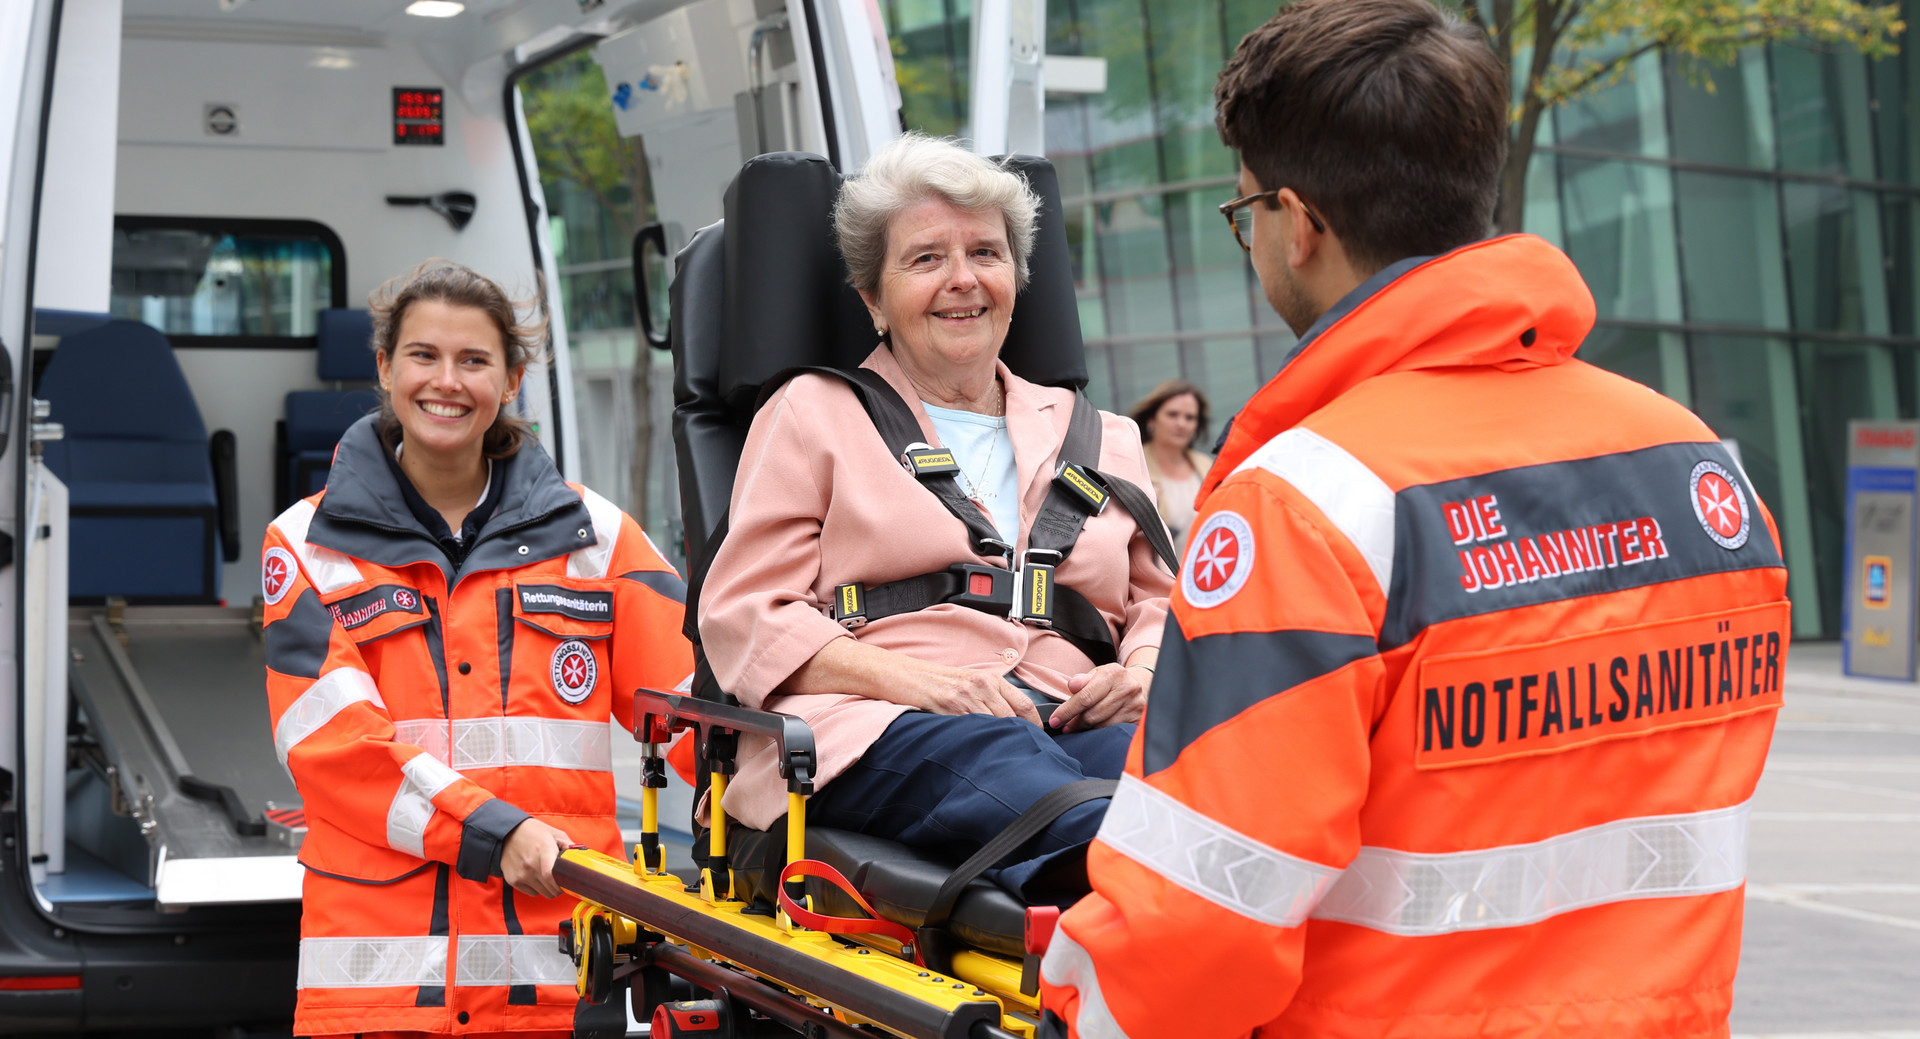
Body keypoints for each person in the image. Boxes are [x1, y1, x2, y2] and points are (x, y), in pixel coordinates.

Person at [1039, 2, 1791, 1036]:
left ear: (1297, 223)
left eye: (1245, 211)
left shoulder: (1305, 505)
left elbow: (1201, 915)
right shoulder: (1702, 474)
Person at [698, 134, 1173, 901]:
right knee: (1026, 776)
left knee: (1192, 784)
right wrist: (917, 682)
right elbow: (746, 614)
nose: (963, 280)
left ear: (1018, 277)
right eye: (926, 259)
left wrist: (1143, 672)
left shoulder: (1105, 434)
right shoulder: (812, 413)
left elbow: (1163, 602)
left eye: (985, 252)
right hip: (876, 723)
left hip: (1074, 716)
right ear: (872, 300)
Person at [260, 261, 693, 1038]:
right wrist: (497, 832)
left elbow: (694, 706)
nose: (446, 382)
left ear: (512, 378)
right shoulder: (304, 546)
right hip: (383, 997)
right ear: (386, 368)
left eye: (474, 360)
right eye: (423, 355)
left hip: (555, 983)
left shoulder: (598, 541)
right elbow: (334, 750)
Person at [1128, 380, 1212, 556]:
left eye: (1190, 417)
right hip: (1156, 577)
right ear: (1152, 419)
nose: (1181, 424)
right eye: (1172, 414)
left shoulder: (1207, 466)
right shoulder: (1132, 464)